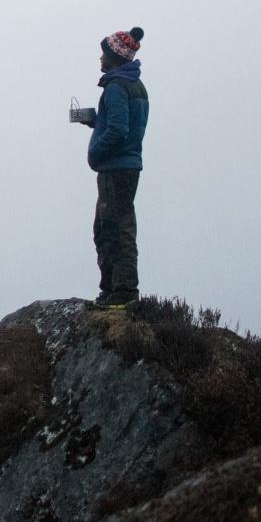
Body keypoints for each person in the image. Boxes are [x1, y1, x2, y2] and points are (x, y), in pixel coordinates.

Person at [80, 26, 149, 310]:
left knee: (111, 229)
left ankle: (120, 294)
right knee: (115, 227)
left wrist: (95, 152)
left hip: (115, 169)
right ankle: (116, 291)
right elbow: (124, 125)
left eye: (104, 53)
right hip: (128, 165)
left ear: (115, 57)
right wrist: (96, 119)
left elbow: (119, 130)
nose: (100, 58)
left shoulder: (117, 86)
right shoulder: (134, 85)